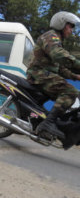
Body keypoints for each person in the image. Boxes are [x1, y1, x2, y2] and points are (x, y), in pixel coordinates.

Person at [27, 11, 80, 139]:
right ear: (61, 24)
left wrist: (76, 77)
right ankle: (47, 124)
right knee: (70, 91)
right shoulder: (51, 37)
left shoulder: (57, 41)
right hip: (38, 74)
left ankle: (54, 123)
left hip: (45, 75)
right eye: (70, 26)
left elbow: (60, 68)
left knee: (74, 94)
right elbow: (59, 55)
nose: (72, 30)